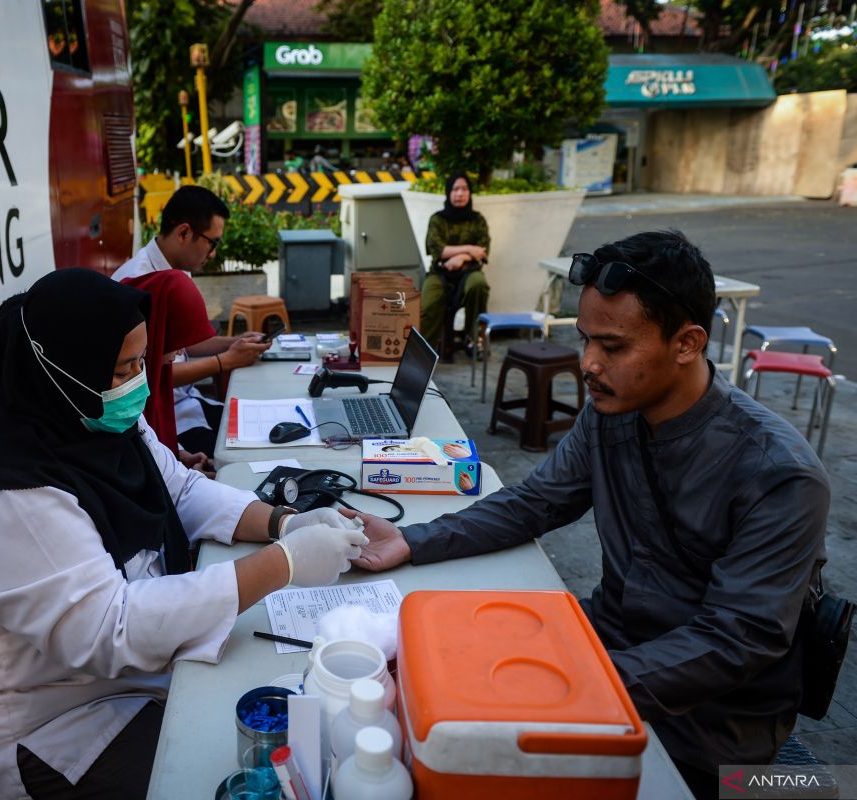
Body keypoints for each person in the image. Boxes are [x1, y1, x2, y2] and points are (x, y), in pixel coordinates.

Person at [349, 230, 830, 800]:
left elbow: (732, 643)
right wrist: (413, 541)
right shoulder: (614, 411)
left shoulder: (778, 474)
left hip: (711, 730)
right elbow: (535, 502)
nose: (589, 364)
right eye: (585, 341)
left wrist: (572, 684)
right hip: (602, 650)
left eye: (614, 347)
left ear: (688, 343)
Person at [0, 269, 367, 799]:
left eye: (140, 362)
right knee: (216, 771)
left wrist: (283, 521)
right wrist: (281, 563)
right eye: (124, 368)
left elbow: (181, 490)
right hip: (33, 719)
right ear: (62, 368)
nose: (138, 384)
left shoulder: (92, 415)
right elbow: (110, 626)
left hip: (108, 680)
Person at [113, 185, 270, 458]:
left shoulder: (177, 273)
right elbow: (148, 376)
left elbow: (187, 344)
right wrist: (225, 361)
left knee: (264, 431)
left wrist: (235, 343)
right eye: (213, 243)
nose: (213, 254)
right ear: (184, 232)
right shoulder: (135, 285)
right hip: (160, 419)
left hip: (188, 402)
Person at [122, 269, 216, 472]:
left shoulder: (152, 371)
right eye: (174, 341)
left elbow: (152, 446)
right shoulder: (124, 397)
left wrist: (178, 456)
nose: (181, 351)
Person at [419, 172, 490, 357]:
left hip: (469, 271)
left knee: (479, 285)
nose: (460, 194)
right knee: (428, 304)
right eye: (455, 189)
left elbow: (482, 251)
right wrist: (468, 250)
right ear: (448, 192)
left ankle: (474, 339)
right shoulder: (438, 219)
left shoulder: (477, 220)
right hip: (440, 273)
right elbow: (438, 250)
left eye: (464, 189)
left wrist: (461, 258)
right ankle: (424, 350)